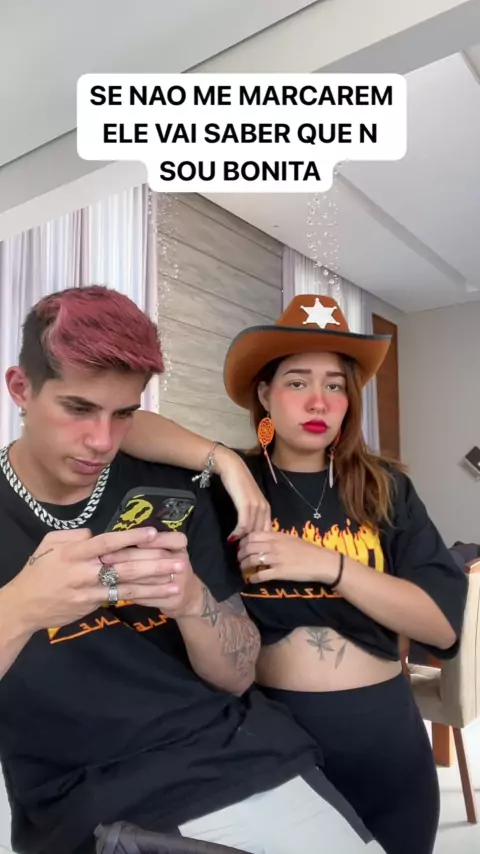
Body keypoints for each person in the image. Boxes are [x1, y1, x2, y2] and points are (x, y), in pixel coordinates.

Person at [0, 285, 385, 854]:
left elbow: (238, 673)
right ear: (20, 389)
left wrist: (192, 602)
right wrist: (21, 609)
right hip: (94, 801)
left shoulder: (171, 488)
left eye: (123, 414)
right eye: (78, 409)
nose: (102, 441)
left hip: (245, 757)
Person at [123, 293, 469, 854]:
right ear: (264, 394)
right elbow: (125, 425)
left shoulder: (385, 488)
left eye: (335, 385)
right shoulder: (227, 488)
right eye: (297, 381)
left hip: (387, 735)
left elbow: (441, 626)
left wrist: (331, 566)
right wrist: (228, 463)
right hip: (273, 741)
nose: (318, 400)